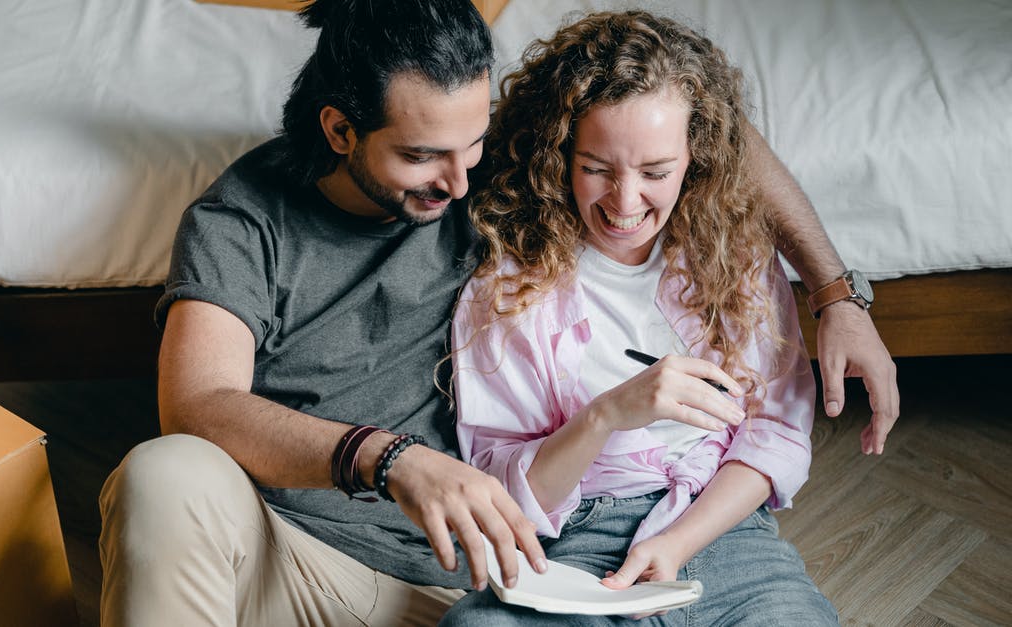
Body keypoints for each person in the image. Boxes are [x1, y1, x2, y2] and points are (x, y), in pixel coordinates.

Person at [98, 1, 891, 624]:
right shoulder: (244, 221)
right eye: (419, 156)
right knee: (164, 473)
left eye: (472, 144)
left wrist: (834, 292)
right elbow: (197, 405)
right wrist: (392, 458)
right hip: (304, 560)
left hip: (485, 574)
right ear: (339, 129)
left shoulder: (487, 157)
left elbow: (698, 120)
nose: (456, 183)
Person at [441, 10, 836, 625]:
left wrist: (679, 542)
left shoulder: (735, 258)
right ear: (560, 154)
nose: (625, 203)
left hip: (719, 528)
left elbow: (776, 433)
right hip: (573, 543)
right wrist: (606, 415)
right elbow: (503, 489)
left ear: (695, 161)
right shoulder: (506, 293)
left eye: (655, 173)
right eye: (596, 169)